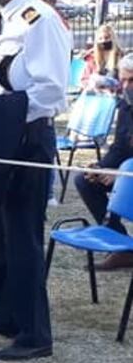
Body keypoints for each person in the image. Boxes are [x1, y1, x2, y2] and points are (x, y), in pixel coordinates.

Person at [0, 0, 69, 361]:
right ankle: (7, 314)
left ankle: (35, 333)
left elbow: (50, 90)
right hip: (3, 132)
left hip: (26, 137)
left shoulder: (38, 19)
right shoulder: (5, 17)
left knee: (23, 235)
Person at [75, 54, 133, 270]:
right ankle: (122, 247)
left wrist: (122, 174)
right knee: (84, 180)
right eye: (123, 80)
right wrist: (101, 167)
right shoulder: (126, 106)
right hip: (128, 171)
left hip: (130, 174)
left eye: (132, 80)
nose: (126, 86)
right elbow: (119, 147)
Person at [81, 25, 123, 90]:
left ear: (113, 39)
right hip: (95, 93)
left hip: (115, 93)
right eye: (100, 39)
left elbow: (126, 80)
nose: (103, 41)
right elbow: (84, 79)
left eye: (107, 38)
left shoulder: (120, 56)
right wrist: (91, 84)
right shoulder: (92, 58)